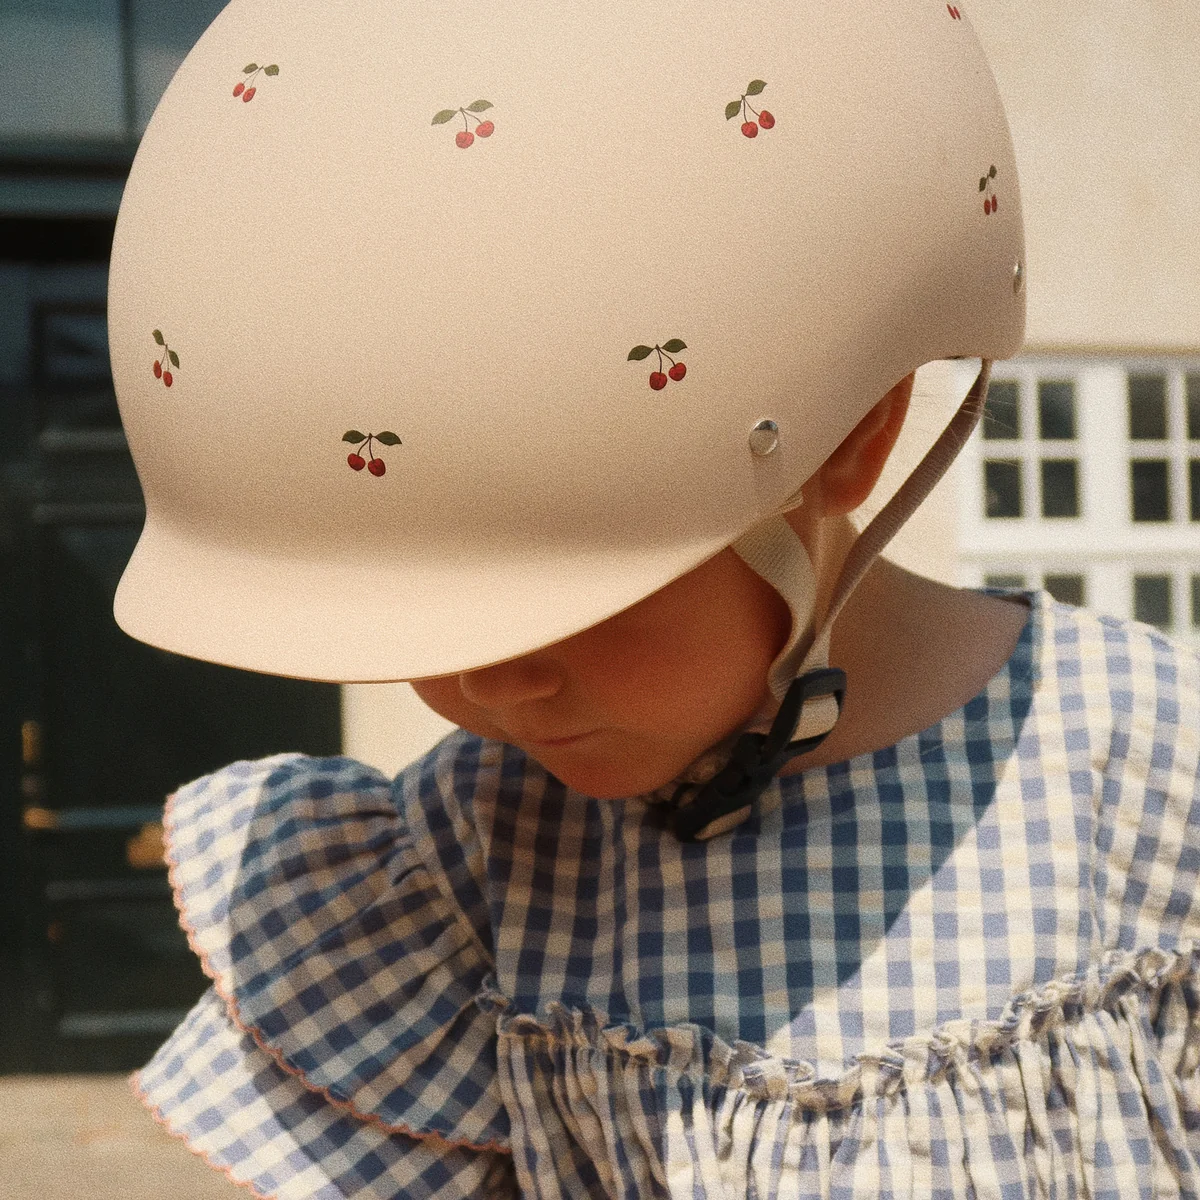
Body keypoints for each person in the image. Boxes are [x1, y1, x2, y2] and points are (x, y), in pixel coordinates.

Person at [107, 1, 1200, 1197]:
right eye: (420, 616)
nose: (493, 682)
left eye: (574, 600)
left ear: (849, 438)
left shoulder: (1144, 771)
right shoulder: (477, 856)